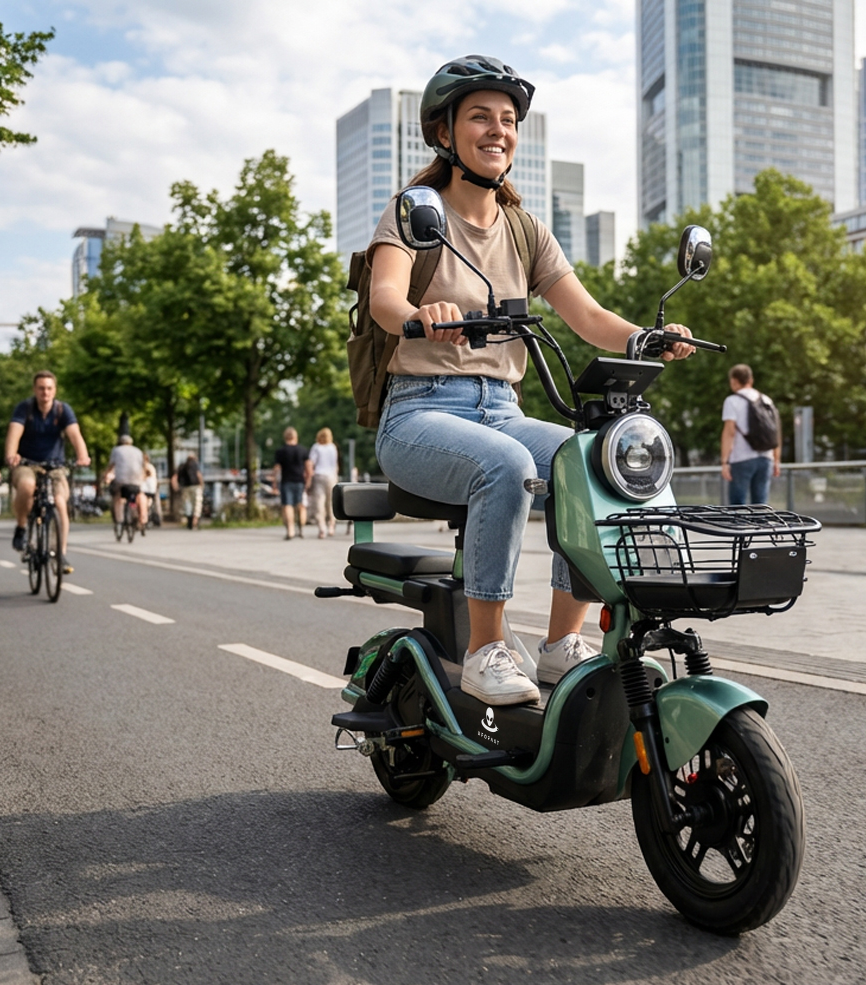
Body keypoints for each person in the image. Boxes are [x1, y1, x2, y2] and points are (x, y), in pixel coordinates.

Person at [368, 56, 696, 706]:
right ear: (445, 133)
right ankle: (485, 649)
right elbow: (383, 297)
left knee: (591, 463)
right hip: (420, 415)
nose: (498, 130)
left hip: (503, 407)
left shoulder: (524, 229)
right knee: (509, 465)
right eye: (481, 117)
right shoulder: (415, 212)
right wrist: (420, 314)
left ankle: (558, 645)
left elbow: (588, 315)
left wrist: (645, 337)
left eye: (509, 120)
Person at [3, 370, 91, 571]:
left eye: (49, 388)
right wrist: (11, 454)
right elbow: (14, 433)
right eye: (41, 388)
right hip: (26, 463)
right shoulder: (25, 408)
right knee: (27, 486)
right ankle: (22, 527)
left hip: (55, 466)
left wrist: (82, 455)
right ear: (35, 389)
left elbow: (75, 435)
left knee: (60, 502)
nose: (45, 392)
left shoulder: (62, 410)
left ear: (55, 390)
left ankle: (60, 554)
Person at [720, 364, 781, 505]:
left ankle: (739, 527)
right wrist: (776, 460)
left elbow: (729, 432)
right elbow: (775, 431)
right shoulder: (766, 400)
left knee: (738, 506)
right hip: (766, 458)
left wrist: (724, 462)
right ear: (751, 380)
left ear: (734, 381)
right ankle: (761, 527)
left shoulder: (732, 401)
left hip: (741, 459)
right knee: (760, 505)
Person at [273, 427, 309, 540]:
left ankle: (291, 531)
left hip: (286, 480)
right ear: (295, 437)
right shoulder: (303, 450)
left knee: (287, 505)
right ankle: (301, 529)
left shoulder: (281, 451)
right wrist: (308, 482)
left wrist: (274, 482)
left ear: (285, 437)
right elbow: (309, 468)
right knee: (300, 505)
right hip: (300, 481)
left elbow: (277, 468)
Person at [104, 434, 146, 529]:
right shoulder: (138, 451)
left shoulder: (116, 450)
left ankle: (119, 520)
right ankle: (139, 515)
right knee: (137, 495)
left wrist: (106, 475)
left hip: (121, 480)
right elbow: (143, 466)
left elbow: (111, 465)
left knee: (117, 496)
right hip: (136, 479)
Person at [306, 428, 340, 539]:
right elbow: (336, 464)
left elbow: (311, 463)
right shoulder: (332, 447)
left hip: (319, 476)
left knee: (319, 503)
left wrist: (308, 478)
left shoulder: (316, 447)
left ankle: (322, 528)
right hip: (331, 476)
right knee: (330, 503)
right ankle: (331, 525)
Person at [172, 453, 203, 530]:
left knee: (187, 505)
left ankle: (189, 522)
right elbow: (198, 475)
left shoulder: (182, 466)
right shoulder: (195, 464)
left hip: (185, 487)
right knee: (197, 504)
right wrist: (202, 484)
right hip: (195, 486)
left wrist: (175, 486)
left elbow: (175, 477)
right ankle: (195, 521)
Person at [141, 456, 160, 527]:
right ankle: (147, 518)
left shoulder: (141, 468)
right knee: (150, 504)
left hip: (144, 490)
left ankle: (144, 519)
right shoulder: (151, 467)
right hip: (152, 490)